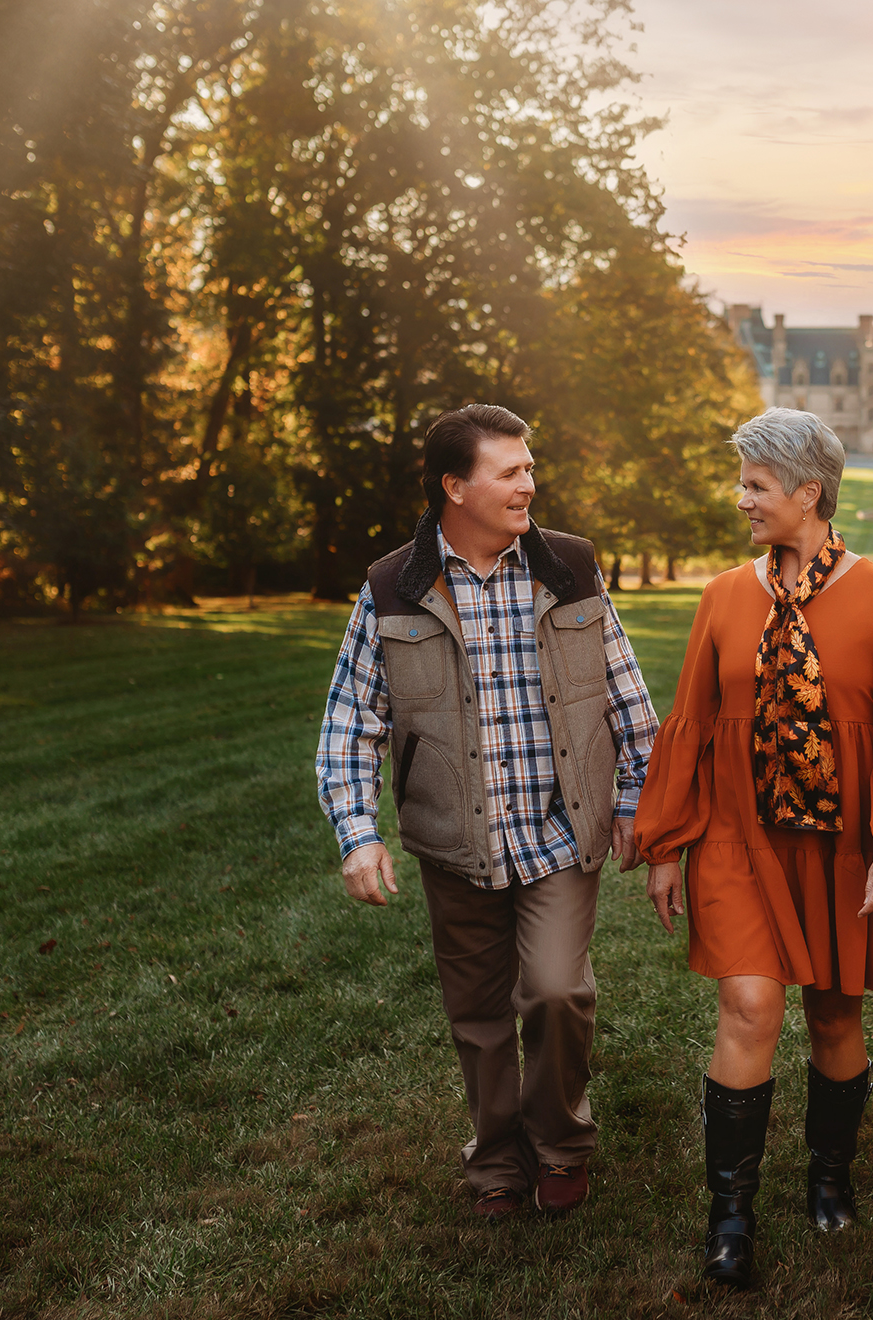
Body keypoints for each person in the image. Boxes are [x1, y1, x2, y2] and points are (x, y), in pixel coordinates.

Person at [635, 408, 873, 1288]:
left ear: (807, 493)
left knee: (834, 1016)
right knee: (748, 1006)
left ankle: (829, 1179)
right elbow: (693, 724)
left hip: (842, 848)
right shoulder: (724, 597)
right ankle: (730, 1214)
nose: (740, 499)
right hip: (740, 838)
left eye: (755, 485)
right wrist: (665, 844)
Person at [315, 404, 658, 1221]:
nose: (529, 484)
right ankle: (497, 1163)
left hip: (559, 830)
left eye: (529, 467)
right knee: (477, 1015)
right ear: (454, 487)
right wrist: (357, 836)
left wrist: (638, 800)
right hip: (455, 840)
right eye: (510, 472)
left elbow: (627, 695)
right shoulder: (391, 587)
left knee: (553, 991)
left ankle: (561, 1145)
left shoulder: (569, 567)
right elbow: (348, 721)